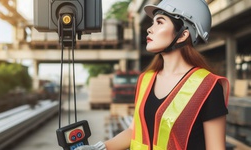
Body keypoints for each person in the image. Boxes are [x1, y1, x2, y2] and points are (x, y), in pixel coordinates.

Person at [75, 0, 230, 149]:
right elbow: (134, 131)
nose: (150, 29)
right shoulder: (145, 80)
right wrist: (100, 148)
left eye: (160, 22)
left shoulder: (207, 87)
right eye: (152, 22)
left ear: (183, 35)